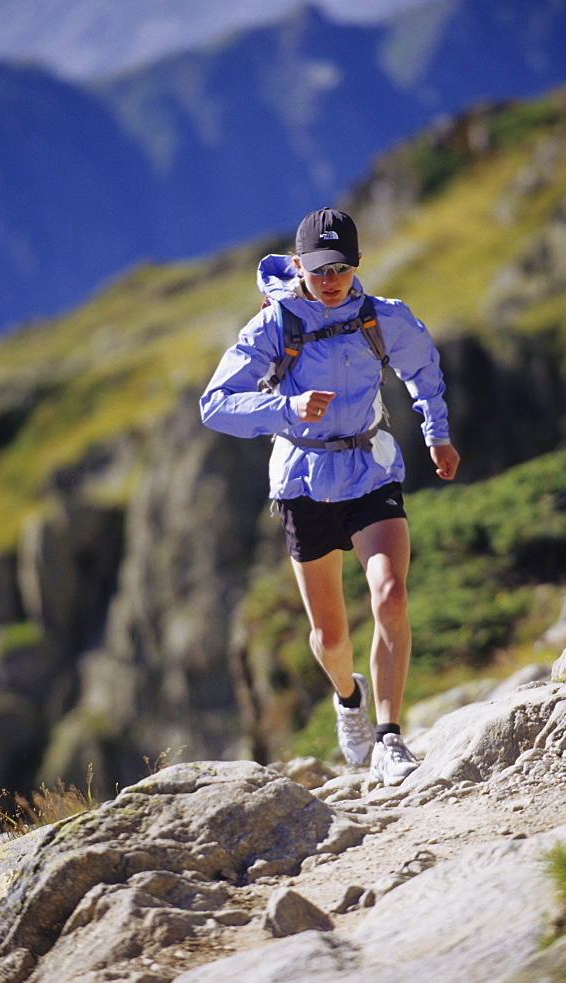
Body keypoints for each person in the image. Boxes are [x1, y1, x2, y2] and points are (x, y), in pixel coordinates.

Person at [200, 207, 460, 785]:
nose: (331, 278)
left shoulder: (382, 319)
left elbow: (424, 370)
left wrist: (436, 433)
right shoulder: (273, 326)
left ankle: (391, 737)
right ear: (298, 266)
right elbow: (215, 403)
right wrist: (284, 408)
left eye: (341, 266)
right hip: (303, 482)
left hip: (371, 472)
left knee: (390, 595)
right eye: (319, 269)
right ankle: (349, 698)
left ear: (359, 263)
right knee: (330, 636)